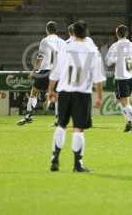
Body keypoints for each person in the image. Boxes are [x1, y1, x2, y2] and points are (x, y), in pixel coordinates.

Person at [48, 20, 106, 172]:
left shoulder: (65, 47)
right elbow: (98, 77)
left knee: (61, 125)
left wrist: (51, 90)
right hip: (82, 93)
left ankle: (54, 160)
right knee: (78, 129)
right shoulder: (93, 50)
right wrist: (99, 96)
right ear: (86, 33)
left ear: (72, 32)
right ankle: (77, 164)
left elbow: (55, 71)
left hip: (65, 92)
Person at [18, 21, 65, 126]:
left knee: (34, 92)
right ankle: (58, 119)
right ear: (56, 30)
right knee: (57, 95)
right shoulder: (62, 42)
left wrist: (34, 71)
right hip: (57, 72)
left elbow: (40, 57)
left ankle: (28, 115)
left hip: (45, 71)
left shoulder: (45, 41)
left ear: (47, 30)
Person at [105, 25, 132, 132]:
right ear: (126, 34)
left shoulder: (115, 46)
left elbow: (109, 62)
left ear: (117, 34)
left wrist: (118, 59)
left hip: (121, 77)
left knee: (124, 102)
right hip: (131, 76)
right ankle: (129, 122)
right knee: (121, 100)